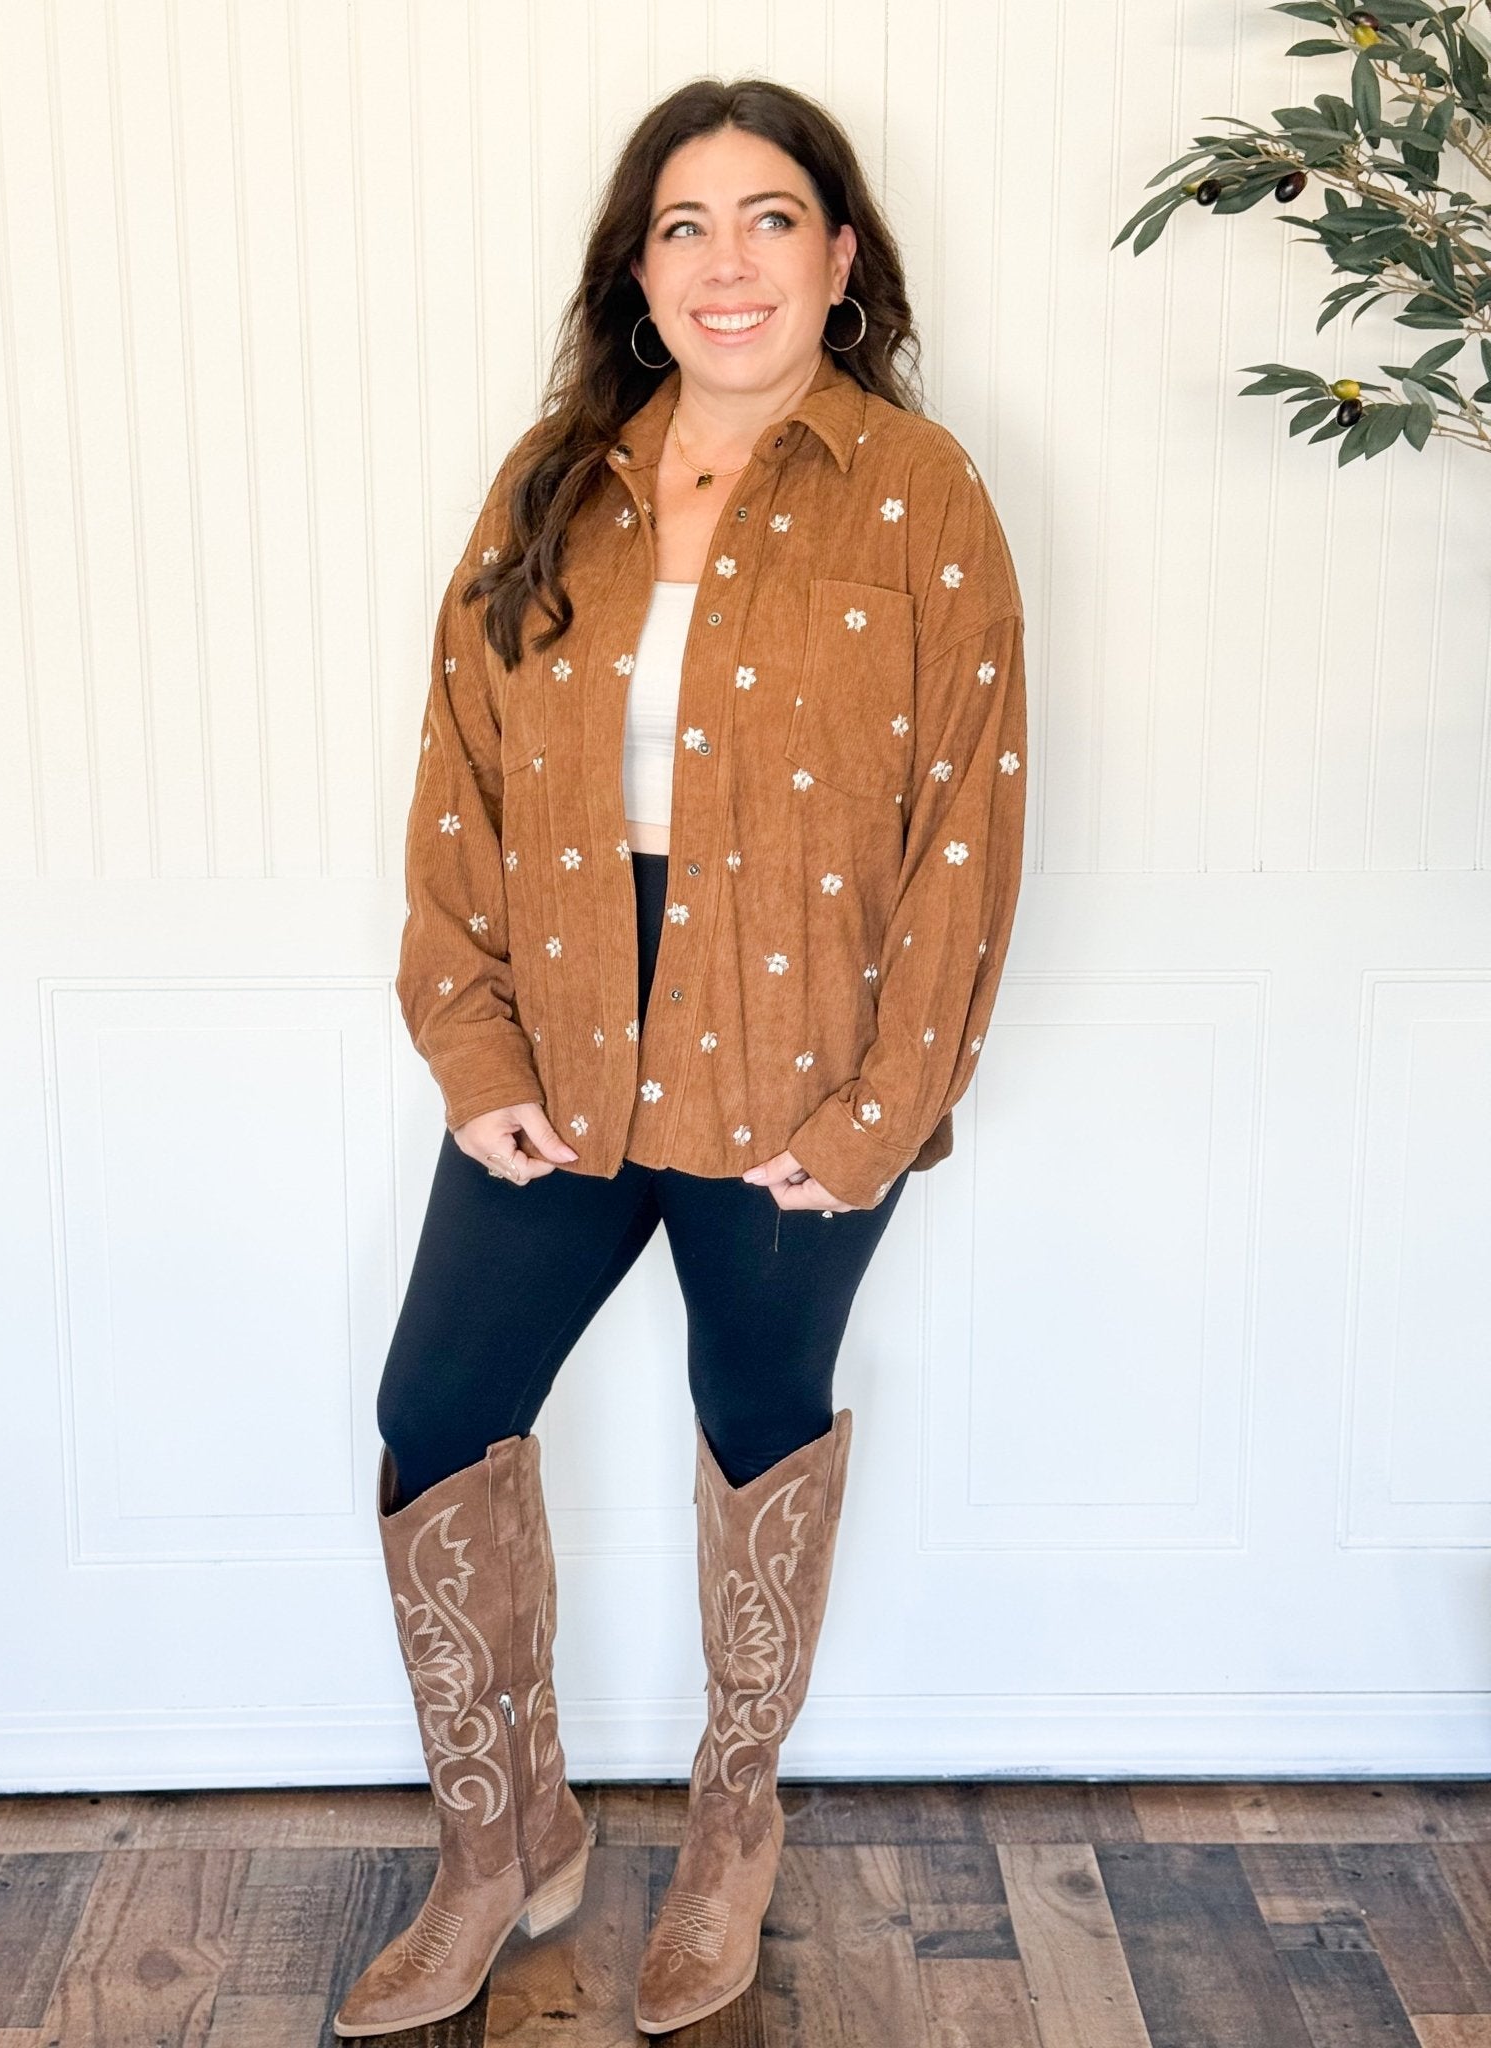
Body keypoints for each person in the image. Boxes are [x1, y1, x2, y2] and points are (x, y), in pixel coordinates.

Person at [333, 75, 1027, 2040]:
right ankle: (505, 1845)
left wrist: (881, 1113)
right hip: (563, 1029)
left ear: (842, 254)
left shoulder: (922, 491)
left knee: (758, 1417)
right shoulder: (551, 485)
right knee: (437, 1409)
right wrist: (472, 1052)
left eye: (770, 218)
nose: (729, 263)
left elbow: (967, 825)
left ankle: (732, 1837)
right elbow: (457, 790)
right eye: (684, 226)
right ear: (636, 274)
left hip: (798, 1052)